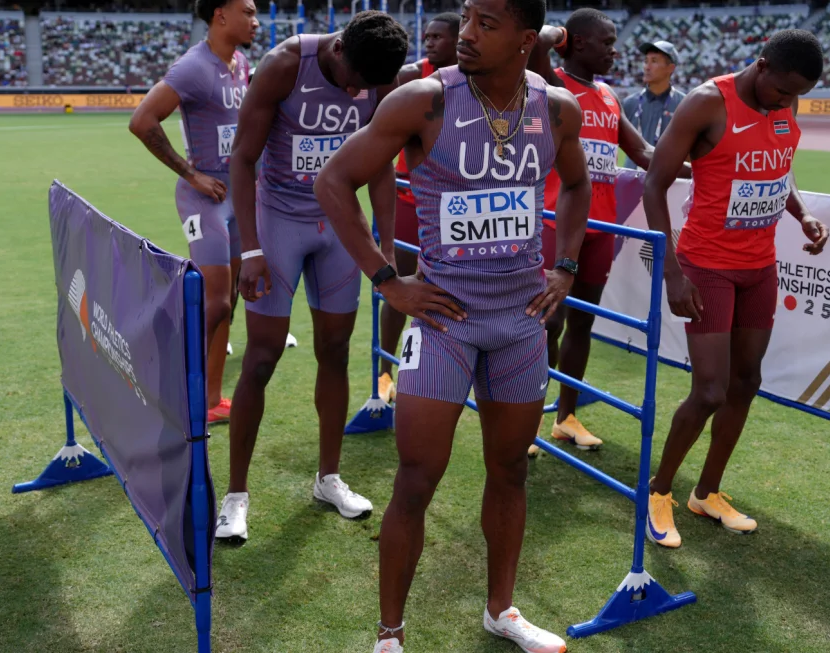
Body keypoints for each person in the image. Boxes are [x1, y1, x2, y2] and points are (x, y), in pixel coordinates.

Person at [314, 0, 591, 648]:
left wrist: (567, 267)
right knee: (415, 476)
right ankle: (389, 634)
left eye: (485, 24)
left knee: (510, 471)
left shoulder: (556, 110)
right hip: (444, 323)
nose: (465, 34)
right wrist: (388, 281)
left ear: (525, 39)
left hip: (521, 323)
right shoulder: (423, 101)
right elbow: (334, 180)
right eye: (465, 18)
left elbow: (575, 185)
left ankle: (501, 609)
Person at [216, 12, 410, 544]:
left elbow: (383, 165)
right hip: (280, 220)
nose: (355, 93)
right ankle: (235, 496)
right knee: (260, 359)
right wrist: (250, 249)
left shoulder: (378, 77)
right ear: (339, 46)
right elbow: (244, 158)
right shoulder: (283, 66)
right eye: (351, 80)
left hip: (340, 229)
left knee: (337, 349)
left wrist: (384, 249)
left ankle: (328, 478)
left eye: (365, 88)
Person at [639, 29, 830, 549]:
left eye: (797, 96)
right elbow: (654, 182)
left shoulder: (784, 103)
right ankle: (658, 494)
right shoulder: (707, 103)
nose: (788, 102)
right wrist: (672, 272)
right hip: (707, 266)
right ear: (762, 66)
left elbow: (778, 171)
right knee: (709, 390)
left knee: (747, 382)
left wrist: (804, 214)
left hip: (759, 266)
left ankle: (707, 492)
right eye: (783, 90)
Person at [526, 9, 688, 453]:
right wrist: (559, 33)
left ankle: (566, 417)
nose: (615, 51)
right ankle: (525, 422)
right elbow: (535, 43)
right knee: (546, 323)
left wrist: (706, 170)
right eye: (606, 42)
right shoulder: (552, 84)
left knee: (582, 324)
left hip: (601, 226)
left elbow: (642, 152)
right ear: (578, 43)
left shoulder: (609, 96)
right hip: (556, 223)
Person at [128, 0, 258, 425]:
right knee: (216, 301)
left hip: (237, 196)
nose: (255, 21)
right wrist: (192, 174)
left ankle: (212, 399)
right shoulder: (192, 67)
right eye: (248, 12)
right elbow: (142, 120)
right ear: (221, 14)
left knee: (230, 300)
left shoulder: (240, 62)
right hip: (204, 198)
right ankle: (172, 389)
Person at [377, 12, 461, 404]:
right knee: (402, 282)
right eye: (426, 36)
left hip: (456, 207)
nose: (428, 42)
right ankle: (384, 372)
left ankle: (440, 370)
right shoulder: (412, 76)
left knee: (448, 289)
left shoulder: (477, 81)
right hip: (411, 200)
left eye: (438, 37)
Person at [622, 39, 685, 152]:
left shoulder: (685, 104)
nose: (647, 66)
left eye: (654, 61)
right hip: (631, 170)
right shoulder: (629, 103)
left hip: (667, 170)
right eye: (646, 61)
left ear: (670, 68)